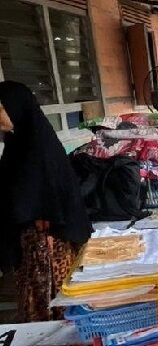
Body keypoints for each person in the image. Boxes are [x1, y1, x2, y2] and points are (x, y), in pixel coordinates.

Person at [0, 81, 91, 322]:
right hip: (30, 244)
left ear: (15, 107)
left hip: (47, 244)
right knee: (34, 305)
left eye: (0, 109)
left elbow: (35, 197)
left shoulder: (38, 148)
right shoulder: (17, 144)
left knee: (50, 305)